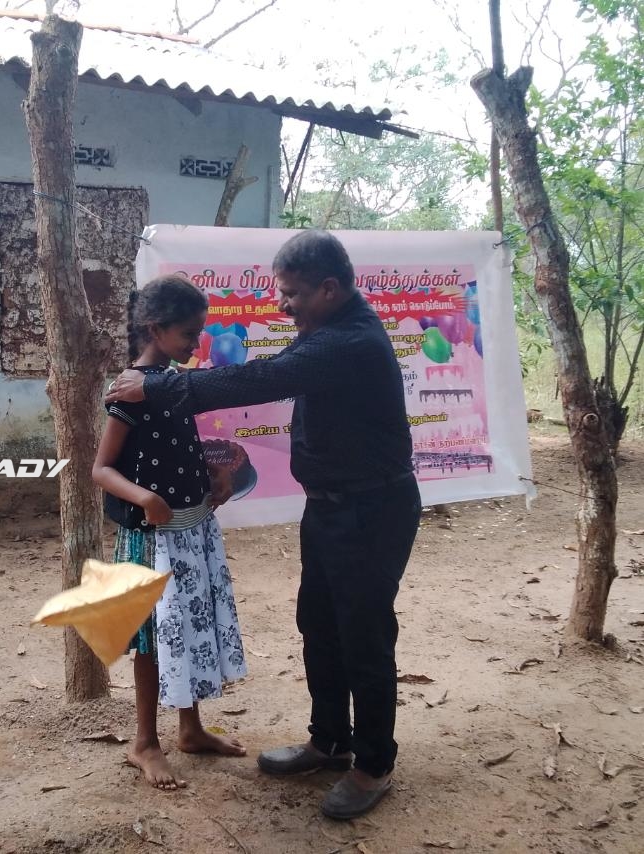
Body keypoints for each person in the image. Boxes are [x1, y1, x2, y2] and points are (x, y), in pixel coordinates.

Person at [106, 230, 422, 819]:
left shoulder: (350, 340)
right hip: (330, 507)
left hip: (372, 511)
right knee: (319, 625)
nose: (283, 304)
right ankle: (330, 741)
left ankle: (374, 763)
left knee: (363, 635)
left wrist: (161, 384)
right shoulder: (325, 330)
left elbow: (264, 379)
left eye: (292, 293)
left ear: (329, 289)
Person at [93, 274, 247, 792]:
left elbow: (176, 447)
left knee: (189, 627)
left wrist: (213, 471)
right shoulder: (130, 391)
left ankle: (190, 729)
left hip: (192, 528)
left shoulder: (175, 383)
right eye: (188, 333)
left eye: (200, 333)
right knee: (154, 639)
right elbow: (101, 469)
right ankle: (144, 742)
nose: (196, 343)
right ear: (156, 330)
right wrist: (144, 498)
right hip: (151, 536)